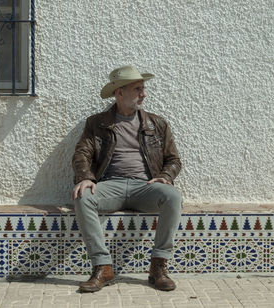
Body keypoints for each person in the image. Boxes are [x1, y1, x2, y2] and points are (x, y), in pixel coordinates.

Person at [71, 65, 182, 293]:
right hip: (110, 185)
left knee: (173, 196)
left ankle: (158, 267)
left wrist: (165, 176)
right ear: (119, 92)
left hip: (145, 186)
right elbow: (82, 153)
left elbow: (174, 159)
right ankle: (102, 266)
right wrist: (85, 177)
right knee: (83, 197)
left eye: (143, 88)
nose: (144, 94)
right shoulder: (97, 123)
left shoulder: (157, 124)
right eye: (138, 89)